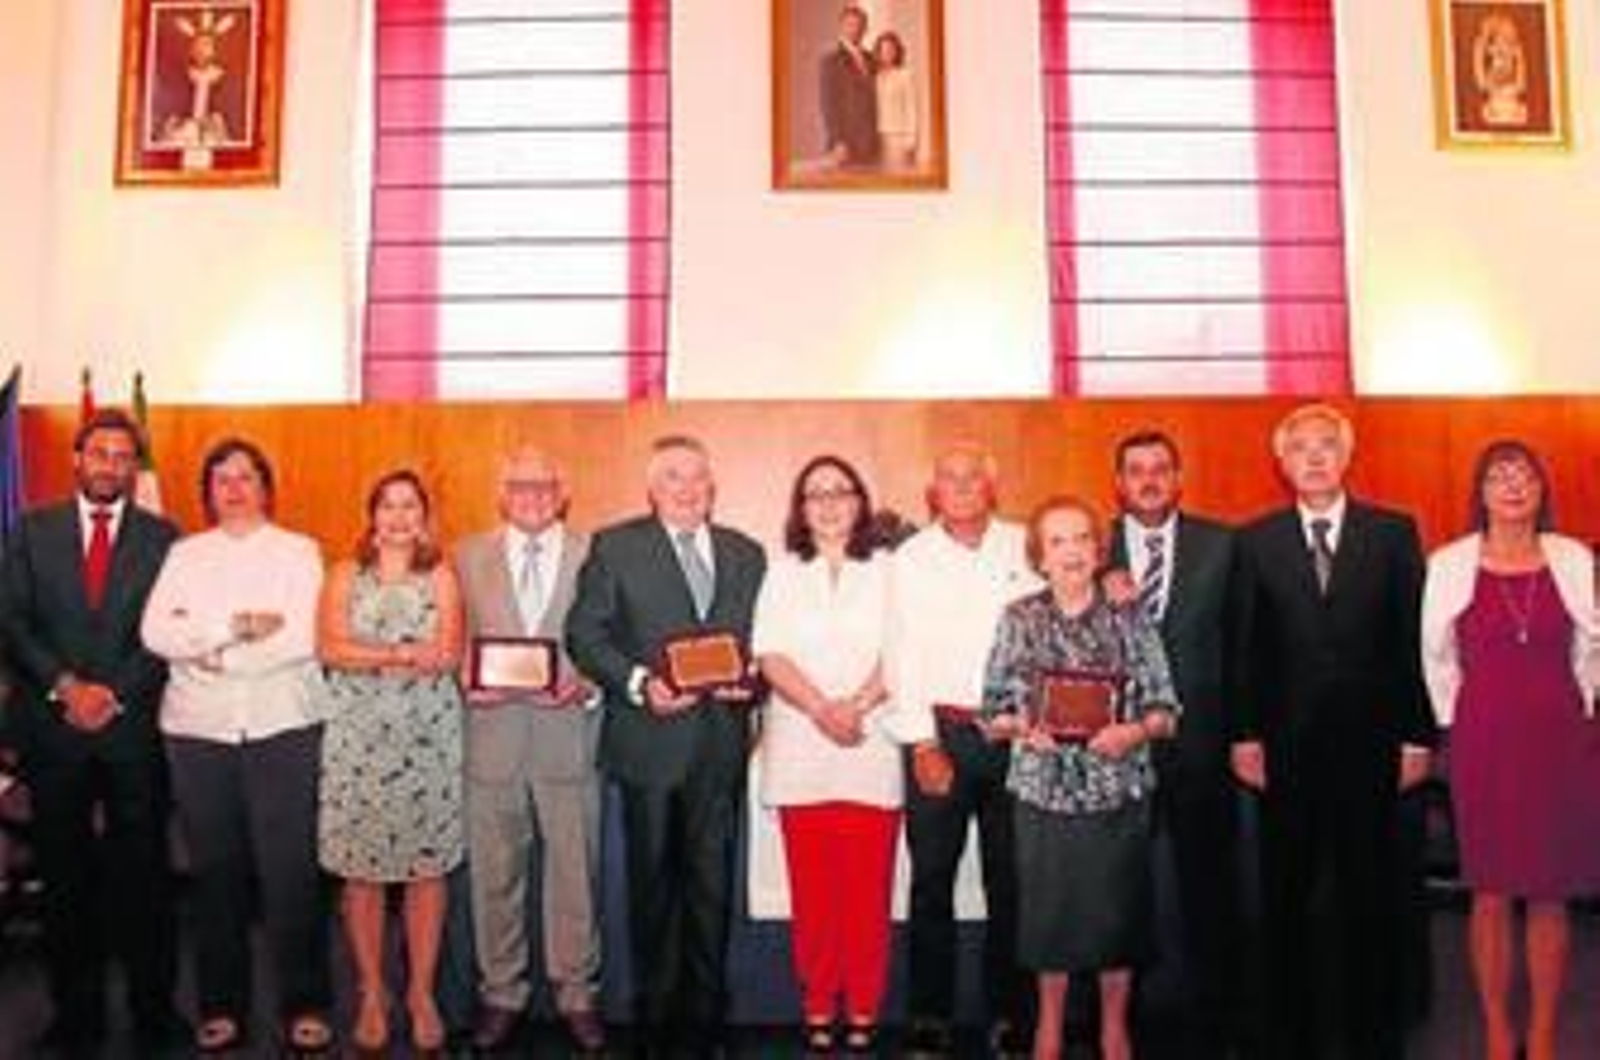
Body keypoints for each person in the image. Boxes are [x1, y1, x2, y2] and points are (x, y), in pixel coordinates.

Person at [1229, 403, 1435, 1060]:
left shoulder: (1393, 533)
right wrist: (1244, 735)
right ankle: (1290, 1038)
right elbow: (1244, 648)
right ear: (1281, 463)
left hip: (1373, 750)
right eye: (1301, 448)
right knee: (1285, 898)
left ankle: (1376, 1036)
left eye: (1327, 445)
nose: (1315, 457)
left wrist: (1416, 737)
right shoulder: (1254, 540)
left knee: (1371, 898)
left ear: (1346, 457)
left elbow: (1413, 642)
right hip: (1284, 753)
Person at [567, 435, 766, 1053]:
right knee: (652, 897)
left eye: (698, 478)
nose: (687, 488)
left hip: (719, 748)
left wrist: (753, 683)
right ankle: (654, 1027)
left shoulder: (747, 553)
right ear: (653, 489)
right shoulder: (615, 546)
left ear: (713, 486)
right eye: (674, 478)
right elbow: (585, 633)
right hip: (648, 745)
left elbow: (767, 640)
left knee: (712, 894)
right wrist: (637, 684)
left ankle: (706, 1025)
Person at [0, 408, 186, 1053]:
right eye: (98, 452)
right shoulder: (30, 530)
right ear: (78, 459)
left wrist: (115, 693)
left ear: (135, 468)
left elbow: (172, 628)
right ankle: (74, 1018)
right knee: (66, 881)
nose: (110, 464)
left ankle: (154, 1016)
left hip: (132, 730)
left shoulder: (166, 537)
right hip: (54, 731)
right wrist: (66, 687)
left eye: (122, 455)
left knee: (145, 881)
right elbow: (13, 621)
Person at [141, 436, 332, 1054]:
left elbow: (303, 635)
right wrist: (233, 630)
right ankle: (221, 1004)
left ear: (265, 487)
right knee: (215, 875)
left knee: (290, 874)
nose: (233, 487)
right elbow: (154, 633)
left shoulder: (299, 551)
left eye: (246, 476)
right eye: (221, 477)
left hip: (284, 727)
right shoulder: (185, 553)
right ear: (208, 491)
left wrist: (211, 654)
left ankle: (305, 1001)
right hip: (199, 734)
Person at [982, 495, 1178, 1060]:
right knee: (1049, 922)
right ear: (1040, 557)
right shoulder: (1019, 617)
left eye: (1082, 539)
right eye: (1058, 542)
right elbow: (991, 710)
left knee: (1118, 921)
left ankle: (1114, 1030)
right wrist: (1022, 728)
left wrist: (1133, 733)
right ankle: (1048, 1032)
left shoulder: (1130, 615)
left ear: (1099, 550)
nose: (1071, 551)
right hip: (1044, 793)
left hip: (1116, 790)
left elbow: (1167, 707)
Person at [1421, 440, 1599, 1060]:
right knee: (1491, 890)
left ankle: (1545, 1031)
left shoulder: (1573, 558)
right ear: (1482, 492)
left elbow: (1591, 649)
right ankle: (1498, 1029)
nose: (1513, 486)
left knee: (1551, 889)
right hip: (1485, 737)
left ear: (1541, 488)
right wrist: (1449, 726)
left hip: (1560, 739)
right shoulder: (1449, 563)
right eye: (1499, 476)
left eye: (1524, 475)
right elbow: (1435, 656)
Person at [879, 443, 1040, 1056]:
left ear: (991, 488)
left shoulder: (1024, 547)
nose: (964, 486)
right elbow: (901, 652)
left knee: (1013, 884)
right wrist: (921, 742)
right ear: (934, 492)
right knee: (931, 883)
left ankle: (1010, 1016)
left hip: (1016, 737)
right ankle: (929, 1017)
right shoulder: (911, 559)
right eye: (951, 477)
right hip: (939, 733)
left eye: (975, 476)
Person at [454, 447, 606, 1053]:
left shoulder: (595, 554)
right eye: (519, 484)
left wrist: (588, 683)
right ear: (501, 491)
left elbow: (609, 640)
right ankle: (501, 993)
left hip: (569, 742)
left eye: (545, 484)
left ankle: (578, 995)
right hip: (490, 742)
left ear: (563, 491)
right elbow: (451, 639)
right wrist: (461, 676)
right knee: (494, 879)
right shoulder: (466, 557)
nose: (533, 494)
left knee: (576, 878)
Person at [753, 455, 899, 1053]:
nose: (830, 503)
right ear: (800, 509)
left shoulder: (891, 569)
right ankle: (817, 1001)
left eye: (842, 492)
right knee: (813, 895)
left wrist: (856, 706)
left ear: (861, 502)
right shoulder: (782, 571)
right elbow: (770, 654)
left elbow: (904, 648)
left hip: (871, 744)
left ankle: (863, 1004)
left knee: (868, 893)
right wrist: (822, 709)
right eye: (816, 495)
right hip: (801, 747)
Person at [316, 469, 465, 1053]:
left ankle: (421, 993)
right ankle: (372, 991)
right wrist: (405, 651)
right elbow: (329, 649)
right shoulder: (343, 574)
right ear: (371, 516)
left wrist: (370, 655)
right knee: (363, 872)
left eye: (410, 506)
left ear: (423, 518)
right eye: (387, 506)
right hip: (357, 744)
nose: (399, 517)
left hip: (428, 741)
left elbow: (448, 655)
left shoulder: (443, 577)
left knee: (427, 870)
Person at [1104, 431, 1242, 1057]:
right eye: (1136, 471)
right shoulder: (1090, 546)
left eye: (1161, 469)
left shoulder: (1223, 545)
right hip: (1112, 746)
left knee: (1207, 884)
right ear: (1120, 483)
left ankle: (1215, 1021)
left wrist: (1244, 733)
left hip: (1201, 744)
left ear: (1179, 477)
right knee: (1116, 888)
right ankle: (1117, 1021)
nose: (1150, 480)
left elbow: (1242, 645)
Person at [819, 4, 878, 167]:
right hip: (846, 144)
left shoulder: (871, 59)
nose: (855, 29)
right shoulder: (830, 61)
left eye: (860, 25)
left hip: (872, 141)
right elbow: (828, 104)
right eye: (850, 24)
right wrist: (838, 140)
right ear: (841, 27)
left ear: (865, 29)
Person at [873, 30, 917, 170]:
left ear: (898, 52)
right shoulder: (876, 77)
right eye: (883, 50)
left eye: (891, 49)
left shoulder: (905, 75)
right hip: (878, 137)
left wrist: (911, 140)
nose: (887, 54)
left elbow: (912, 108)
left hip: (898, 137)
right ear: (878, 53)